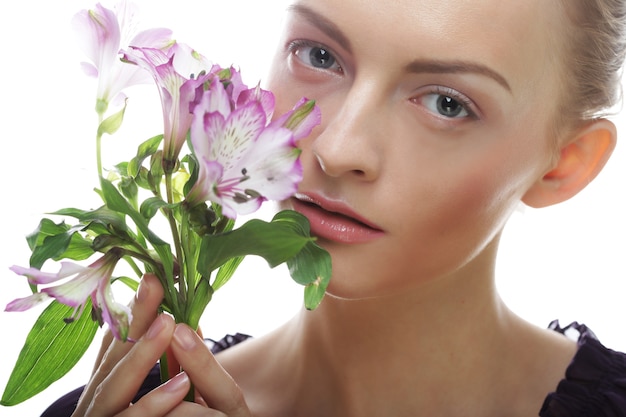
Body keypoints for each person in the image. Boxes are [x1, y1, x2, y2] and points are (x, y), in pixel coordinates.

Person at [41, 0, 626, 416]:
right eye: (319, 55)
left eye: (448, 103)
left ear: (565, 163)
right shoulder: (122, 409)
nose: (337, 148)